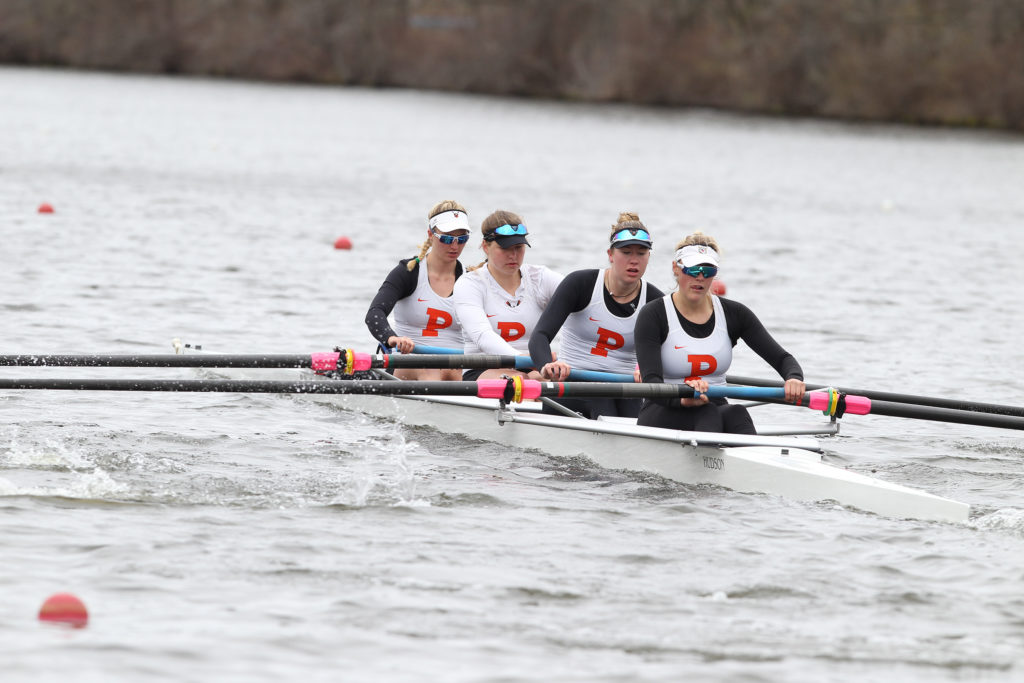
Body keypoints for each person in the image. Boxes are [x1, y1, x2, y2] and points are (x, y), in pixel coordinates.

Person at [634, 232, 805, 434]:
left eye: (708, 271)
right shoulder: (654, 314)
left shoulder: (735, 314)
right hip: (663, 407)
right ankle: (709, 462)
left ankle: (750, 461)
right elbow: (651, 382)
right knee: (706, 413)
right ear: (676, 268)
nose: (700, 277)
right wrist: (682, 399)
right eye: (693, 269)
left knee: (737, 412)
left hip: (713, 407)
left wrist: (794, 378)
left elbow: (782, 358)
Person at [528, 212, 665, 418]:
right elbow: (540, 336)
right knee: (604, 404)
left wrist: (649, 368)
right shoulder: (580, 284)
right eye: (626, 252)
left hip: (626, 388)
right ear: (610, 255)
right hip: (573, 383)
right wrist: (547, 365)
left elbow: (671, 352)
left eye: (641, 253)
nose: (634, 260)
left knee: (639, 412)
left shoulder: (655, 301)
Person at [364, 200, 471, 380]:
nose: (454, 246)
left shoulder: (470, 280)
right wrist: (392, 338)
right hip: (408, 362)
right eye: (446, 238)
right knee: (431, 370)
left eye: (462, 239)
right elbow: (375, 313)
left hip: (456, 366)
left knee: (454, 371)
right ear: (430, 234)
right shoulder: (409, 272)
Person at [452, 210, 563, 381]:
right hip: (483, 369)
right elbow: (482, 336)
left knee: (539, 380)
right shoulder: (470, 284)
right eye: (505, 248)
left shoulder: (539, 277)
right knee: (525, 381)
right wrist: (523, 360)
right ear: (485, 246)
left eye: (518, 248)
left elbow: (581, 299)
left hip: (533, 369)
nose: (513, 255)